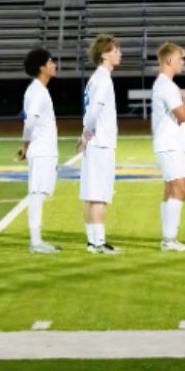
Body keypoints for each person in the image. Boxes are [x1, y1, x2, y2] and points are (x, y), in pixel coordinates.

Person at [77, 34, 121, 254]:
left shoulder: (96, 78)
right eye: (114, 50)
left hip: (96, 143)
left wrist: (84, 136)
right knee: (99, 196)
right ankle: (98, 243)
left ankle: (92, 241)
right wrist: (86, 135)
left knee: (91, 194)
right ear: (104, 54)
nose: (118, 53)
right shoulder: (103, 79)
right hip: (100, 143)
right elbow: (94, 111)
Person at [17, 48, 60, 254]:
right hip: (41, 150)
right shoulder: (37, 91)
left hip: (45, 149)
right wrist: (25, 145)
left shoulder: (40, 90)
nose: (54, 64)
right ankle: (35, 241)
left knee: (39, 193)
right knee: (36, 194)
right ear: (41, 67)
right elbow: (30, 120)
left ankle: (37, 240)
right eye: (50, 62)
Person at [151, 42, 185, 252]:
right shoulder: (167, 85)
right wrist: (184, 100)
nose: (182, 63)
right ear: (169, 60)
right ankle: (169, 239)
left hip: (169, 144)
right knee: (180, 190)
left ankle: (168, 238)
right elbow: (183, 116)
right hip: (169, 145)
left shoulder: (164, 84)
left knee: (171, 190)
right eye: (180, 58)